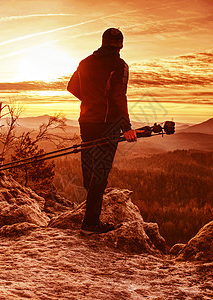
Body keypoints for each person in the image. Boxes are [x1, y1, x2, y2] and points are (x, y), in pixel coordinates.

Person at [67, 28, 139, 234]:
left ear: (103, 42)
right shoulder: (119, 65)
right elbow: (119, 96)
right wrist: (127, 127)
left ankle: (91, 215)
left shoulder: (85, 62)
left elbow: (71, 87)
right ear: (121, 45)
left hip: (86, 120)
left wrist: (91, 100)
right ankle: (90, 223)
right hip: (107, 124)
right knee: (100, 171)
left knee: (89, 167)